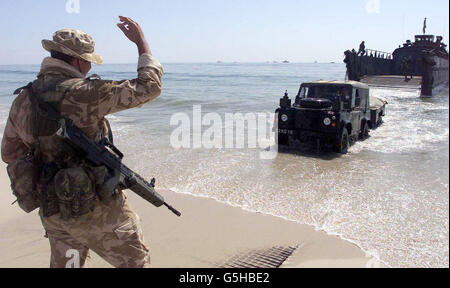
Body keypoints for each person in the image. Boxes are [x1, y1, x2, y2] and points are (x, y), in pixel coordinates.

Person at [1, 16, 163, 268]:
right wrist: (142, 44)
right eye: (87, 61)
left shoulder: (24, 98)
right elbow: (148, 88)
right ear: (76, 60)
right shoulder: (84, 93)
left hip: (54, 207)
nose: (88, 66)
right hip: (98, 210)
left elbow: (10, 153)